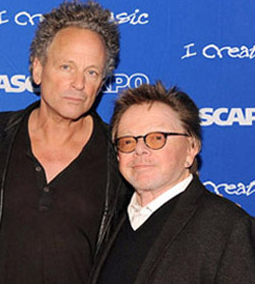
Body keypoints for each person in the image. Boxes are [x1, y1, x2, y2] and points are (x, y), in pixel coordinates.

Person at [0, 0, 131, 284]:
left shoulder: (119, 154)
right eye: (66, 66)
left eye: (91, 72)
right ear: (37, 69)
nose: (79, 83)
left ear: (102, 82)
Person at [90, 82, 255, 284]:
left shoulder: (228, 227)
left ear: (191, 148)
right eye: (127, 141)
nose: (140, 150)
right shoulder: (112, 222)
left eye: (157, 138)